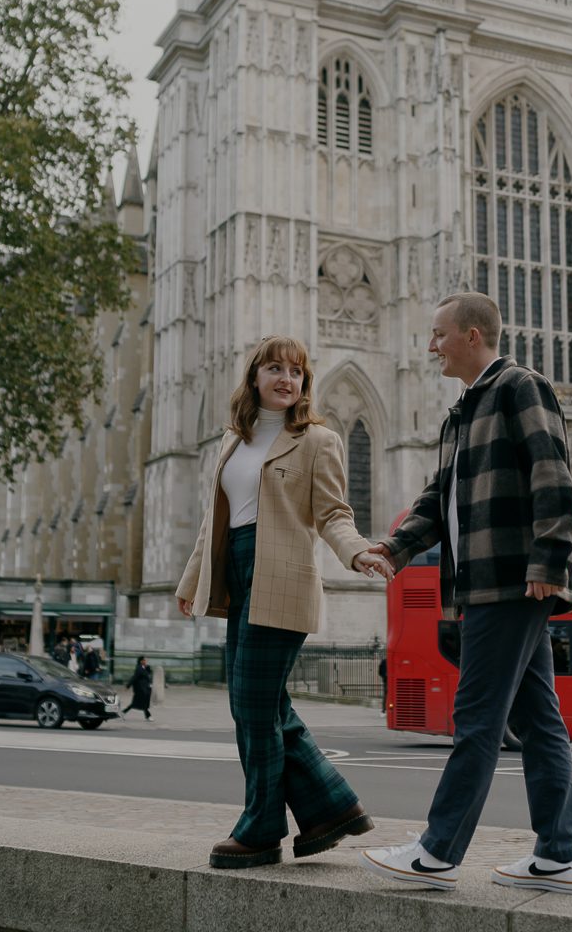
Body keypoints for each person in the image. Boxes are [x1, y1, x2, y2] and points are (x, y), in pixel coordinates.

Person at [360, 293, 572, 895]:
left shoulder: (519, 387)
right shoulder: (465, 410)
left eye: (438, 335)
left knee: (477, 717)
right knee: (538, 722)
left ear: (472, 335)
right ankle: (559, 856)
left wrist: (550, 559)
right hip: (485, 583)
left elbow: (553, 474)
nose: (430, 346)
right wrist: (395, 549)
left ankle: (437, 850)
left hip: (509, 580)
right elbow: (439, 498)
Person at [175, 334, 393, 870]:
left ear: (304, 385)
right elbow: (216, 522)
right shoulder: (235, 440)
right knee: (266, 706)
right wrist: (190, 582)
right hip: (238, 573)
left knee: (251, 704)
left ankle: (263, 826)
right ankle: (330, 809)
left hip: (283, 578)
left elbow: (333, 513)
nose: (285, 380)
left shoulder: (318, 439)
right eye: (274, 369)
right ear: (254, 377)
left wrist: (358, 552)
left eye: (295, 373)